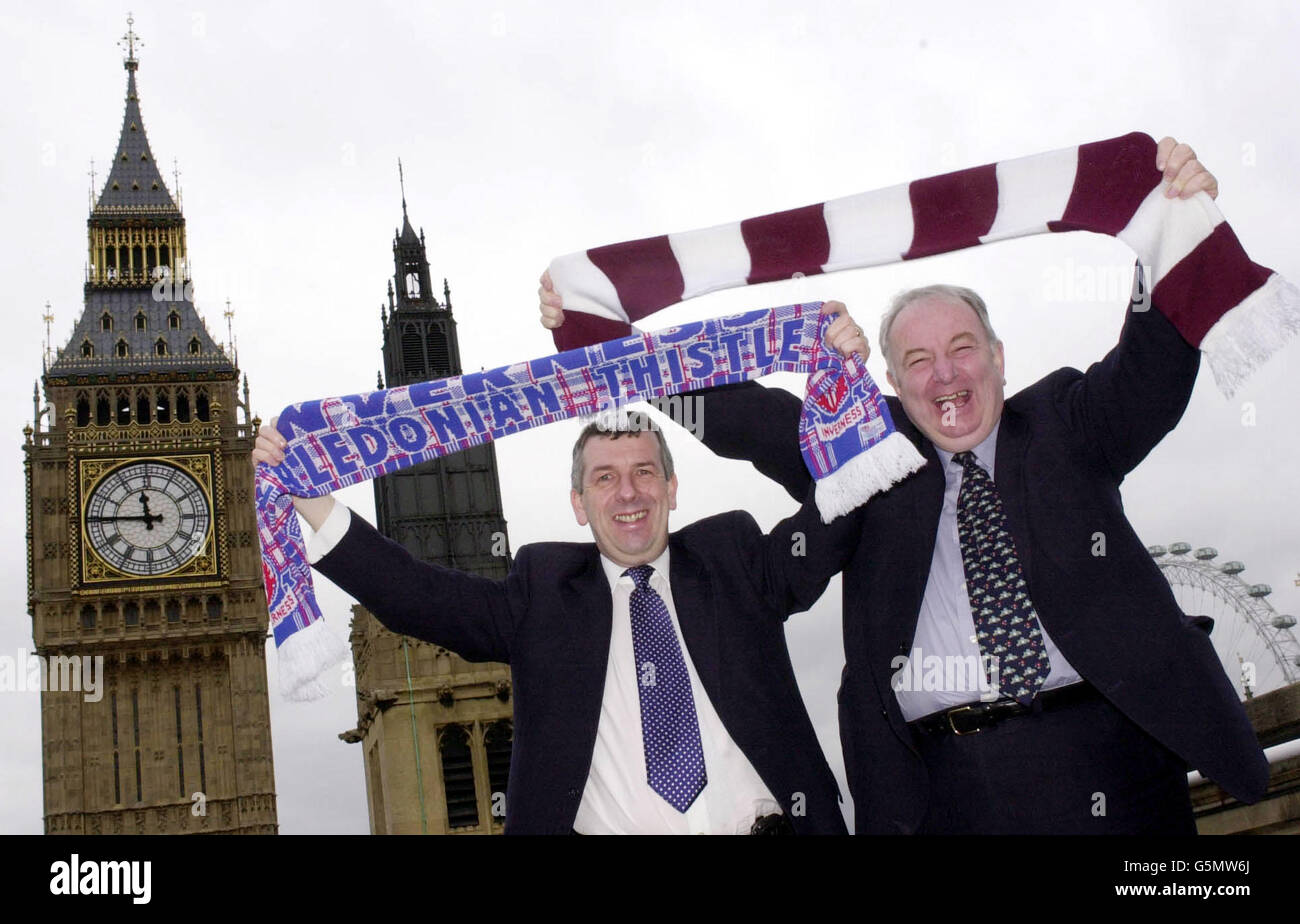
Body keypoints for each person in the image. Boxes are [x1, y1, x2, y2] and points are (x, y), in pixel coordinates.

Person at [538, 137, 1269, 833]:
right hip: (945, 791)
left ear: (999, 358)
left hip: (1115, 764)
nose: (944, 375)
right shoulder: (863, 447)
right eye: (917, 360)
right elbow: (738, 413)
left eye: (961, 350)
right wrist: (602, 338)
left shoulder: (1067, 424)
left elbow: (1154, 365)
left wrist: (1169, 226)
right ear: (890, 382)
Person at [253, 412, 858, 834]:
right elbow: (419, 596)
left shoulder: (736, 557)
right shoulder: (542, 592)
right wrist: (311, 501)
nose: (628, 493)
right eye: (605, 477)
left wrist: (843, 388)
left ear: (672, 488)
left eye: (645, 472)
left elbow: (841, 503)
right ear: (578, 502)